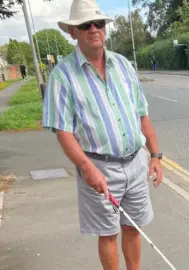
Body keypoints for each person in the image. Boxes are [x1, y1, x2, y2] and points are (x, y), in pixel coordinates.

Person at [42, 0, 163, 269]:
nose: (93, 29)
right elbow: (63, 131)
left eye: (98, 23)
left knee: (134, 228)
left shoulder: (123, 65)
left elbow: (142, 113)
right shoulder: (62, 76)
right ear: (73, 32)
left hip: (135, 162)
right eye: (85, 25)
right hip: (98, 167)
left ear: (105, 28)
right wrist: (86, 168)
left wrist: (155, 155)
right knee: (108, 233)